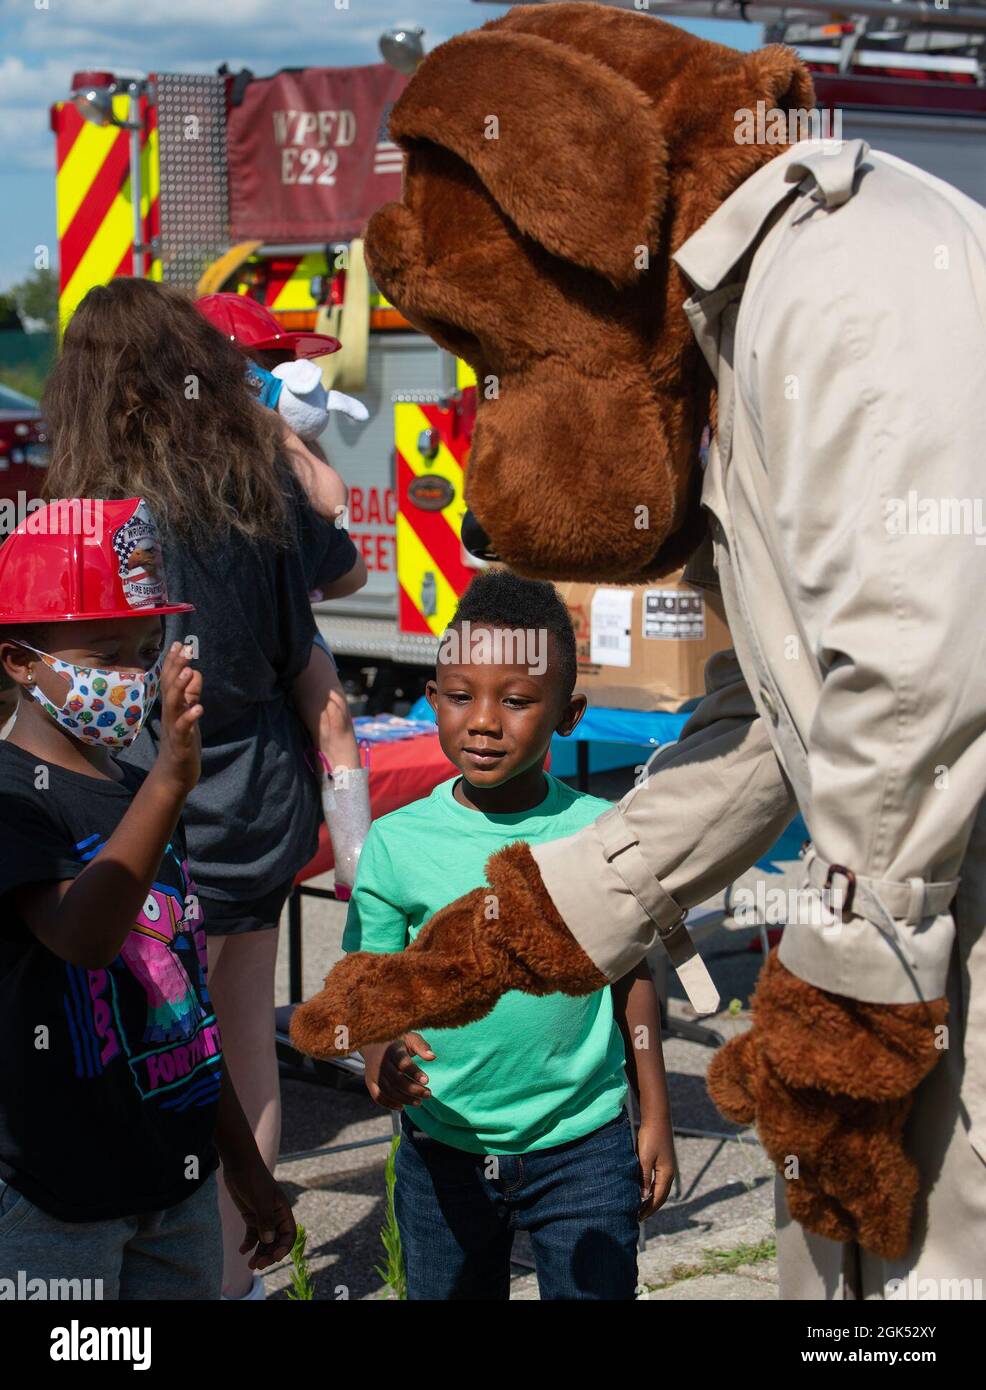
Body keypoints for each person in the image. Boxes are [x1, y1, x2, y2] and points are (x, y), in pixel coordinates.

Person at [291, 6, 986, 1299]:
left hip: (945, 946)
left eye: (496, 352)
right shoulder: (733, 318)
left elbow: (914, 678)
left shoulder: (848, 286)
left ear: (581, 199)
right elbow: (768, 727)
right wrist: (515, 926)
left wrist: (843, 1000)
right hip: (920, 928)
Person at [40, 277, 357, 1300]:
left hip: (148, 806)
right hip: (260, 800)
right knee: (237, 1042)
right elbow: (330, 571)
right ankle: (237, 1274)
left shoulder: (88, 514)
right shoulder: (251, 478)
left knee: (156, 1050)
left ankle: (170, 1272)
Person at [331, 571, 674, 1300]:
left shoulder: (598, 833)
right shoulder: (398, 842)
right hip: (441, 1149)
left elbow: (633, 975)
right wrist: (376, 1052)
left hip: (583, 1146)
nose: (483, 720)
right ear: (432, 700)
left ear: (568, 714)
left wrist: (656, 1117)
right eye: (460, 696)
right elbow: (368, 980)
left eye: (517, 701)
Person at [0, 499, 295, 1300]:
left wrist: (241, 1161)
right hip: (53, 1206)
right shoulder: (15, 800)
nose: (133, 677)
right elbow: (82, 937)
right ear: (19, 661)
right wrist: (170, 781)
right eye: (105, 654)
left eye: (143, 650)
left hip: (177, 1187)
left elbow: (188, 1006)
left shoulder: (141, 791)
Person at [195, 291, 372, 896]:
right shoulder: (240, 464)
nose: (278, 381)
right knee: (330, 715)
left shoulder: (280, 451)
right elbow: (343, 535)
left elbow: (335, 508)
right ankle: (355, 865)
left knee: (334, 717)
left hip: (267, 636)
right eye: (265, 367)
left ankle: (356, 864)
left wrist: (289, 439)